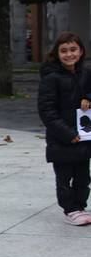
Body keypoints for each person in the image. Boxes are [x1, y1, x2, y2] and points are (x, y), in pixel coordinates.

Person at [38, 32, 91, 226]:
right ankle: (70, 209)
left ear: (81, 51)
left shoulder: (86, 73)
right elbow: (46, 111)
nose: (69, 54)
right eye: (64, 51)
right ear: (57, 54)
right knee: (64, 178)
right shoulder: (51, 78)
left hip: (84, 136)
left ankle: (80, 205)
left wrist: (88, 97)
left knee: (83, 178)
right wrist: (68, 134)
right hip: (62, 139)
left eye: (73, 49)